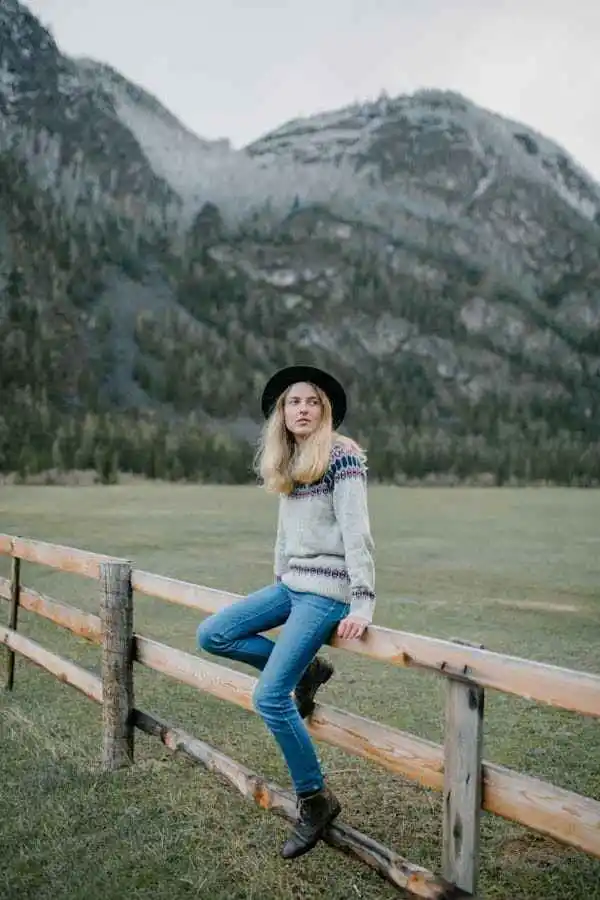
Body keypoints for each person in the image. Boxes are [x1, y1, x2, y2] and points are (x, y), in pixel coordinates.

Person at [196, 365, 376, 859]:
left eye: (311, 401)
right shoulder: (291, 458)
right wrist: (278, 581)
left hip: (327, 593)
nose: (301, 408)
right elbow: (286, 532)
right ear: (282, 412)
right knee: (214, 634)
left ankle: (315, 800)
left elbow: (357, 532)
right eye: (292, 402)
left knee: (270, 697)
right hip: (292, 586)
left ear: (325, 410)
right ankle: (309, 669)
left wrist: (362, 601)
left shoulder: (342, 458)